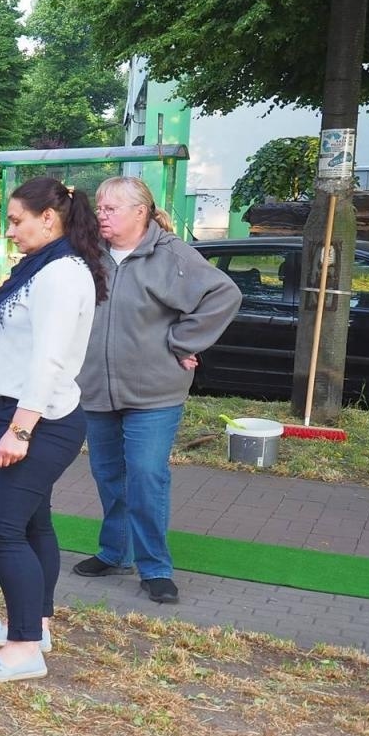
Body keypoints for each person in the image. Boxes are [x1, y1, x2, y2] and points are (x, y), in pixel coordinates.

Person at [0, 176, 106, 684]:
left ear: (50, 218)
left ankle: (23, 648)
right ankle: (33, 626)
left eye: (17, 220)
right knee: (29, 522)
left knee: (0, 527)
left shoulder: (62, 274)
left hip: (41, 421)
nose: (11, 230)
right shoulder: (46, 266)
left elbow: (47, 361)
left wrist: (19, 430)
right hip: (22, 413)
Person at [74, 176, 241, 604]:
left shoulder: (171, 255)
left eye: (111, 209)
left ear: (140, 212)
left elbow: (224, 294)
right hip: (96, 388)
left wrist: (184, 342)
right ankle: (114, 552)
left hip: (154, 392)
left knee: (147, 476)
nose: (101, 216)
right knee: (109, 476)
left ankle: (155, 569)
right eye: (99, 208)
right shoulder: (89, 253)